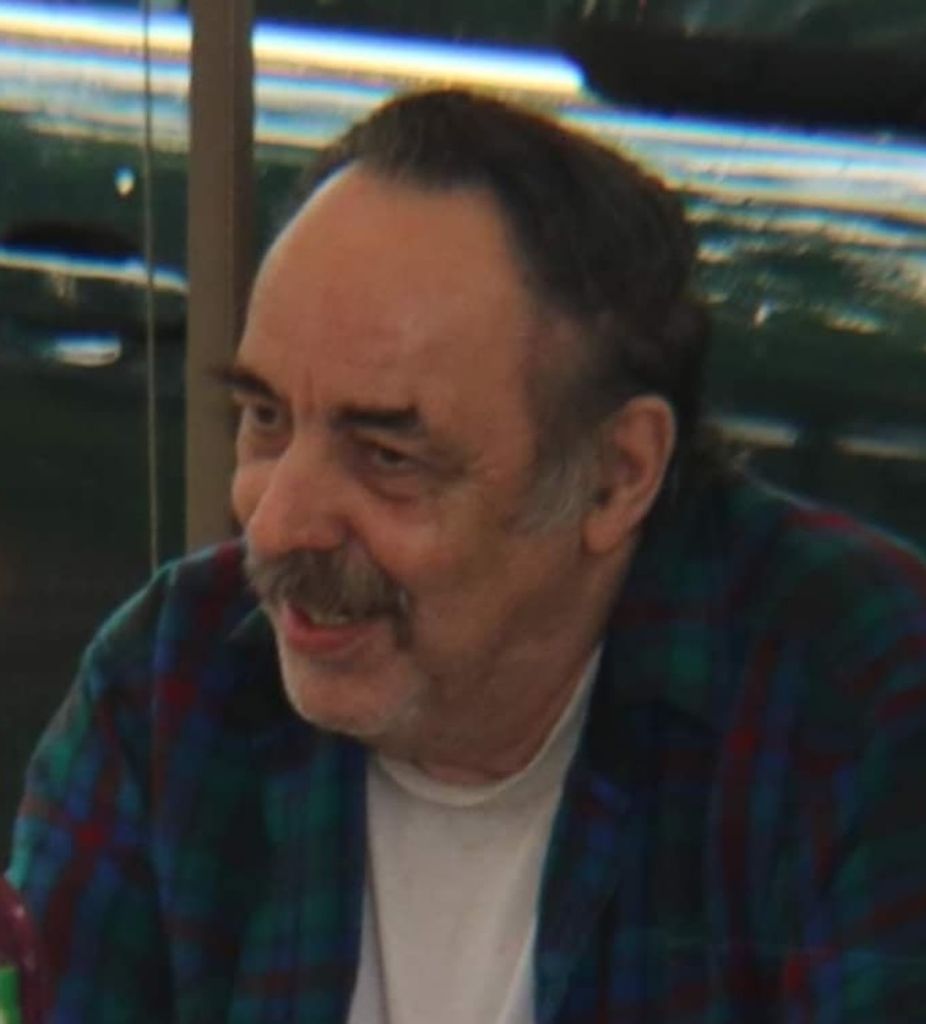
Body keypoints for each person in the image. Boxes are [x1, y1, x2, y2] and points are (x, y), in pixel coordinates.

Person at [7, 88, 926, 1023]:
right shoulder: (176, 684)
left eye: (388, 457)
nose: (277, 525)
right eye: (265, 419)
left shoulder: (856, 699)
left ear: (617, 475)